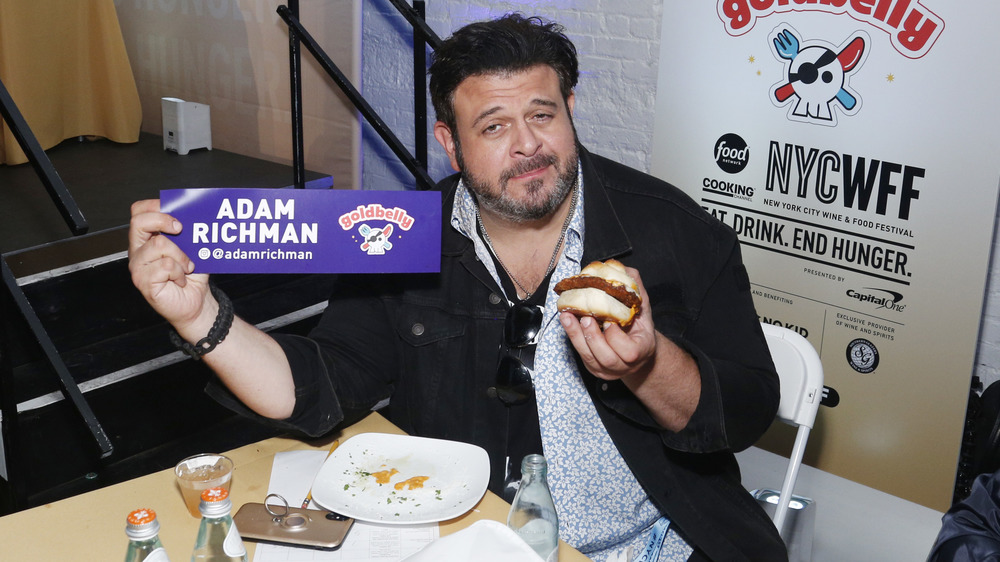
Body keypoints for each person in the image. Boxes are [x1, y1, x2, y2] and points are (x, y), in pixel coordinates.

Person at [128, 13, 785, 562]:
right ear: (450, 143)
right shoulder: (402, 236)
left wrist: (647, 365)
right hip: (463, 543)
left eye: (542, 114)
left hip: (646, 545)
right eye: (495, 126)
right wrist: (202, 320)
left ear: (571, 109)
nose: (529, 145)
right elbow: (319, 386)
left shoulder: (675, 232)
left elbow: (744, 413)